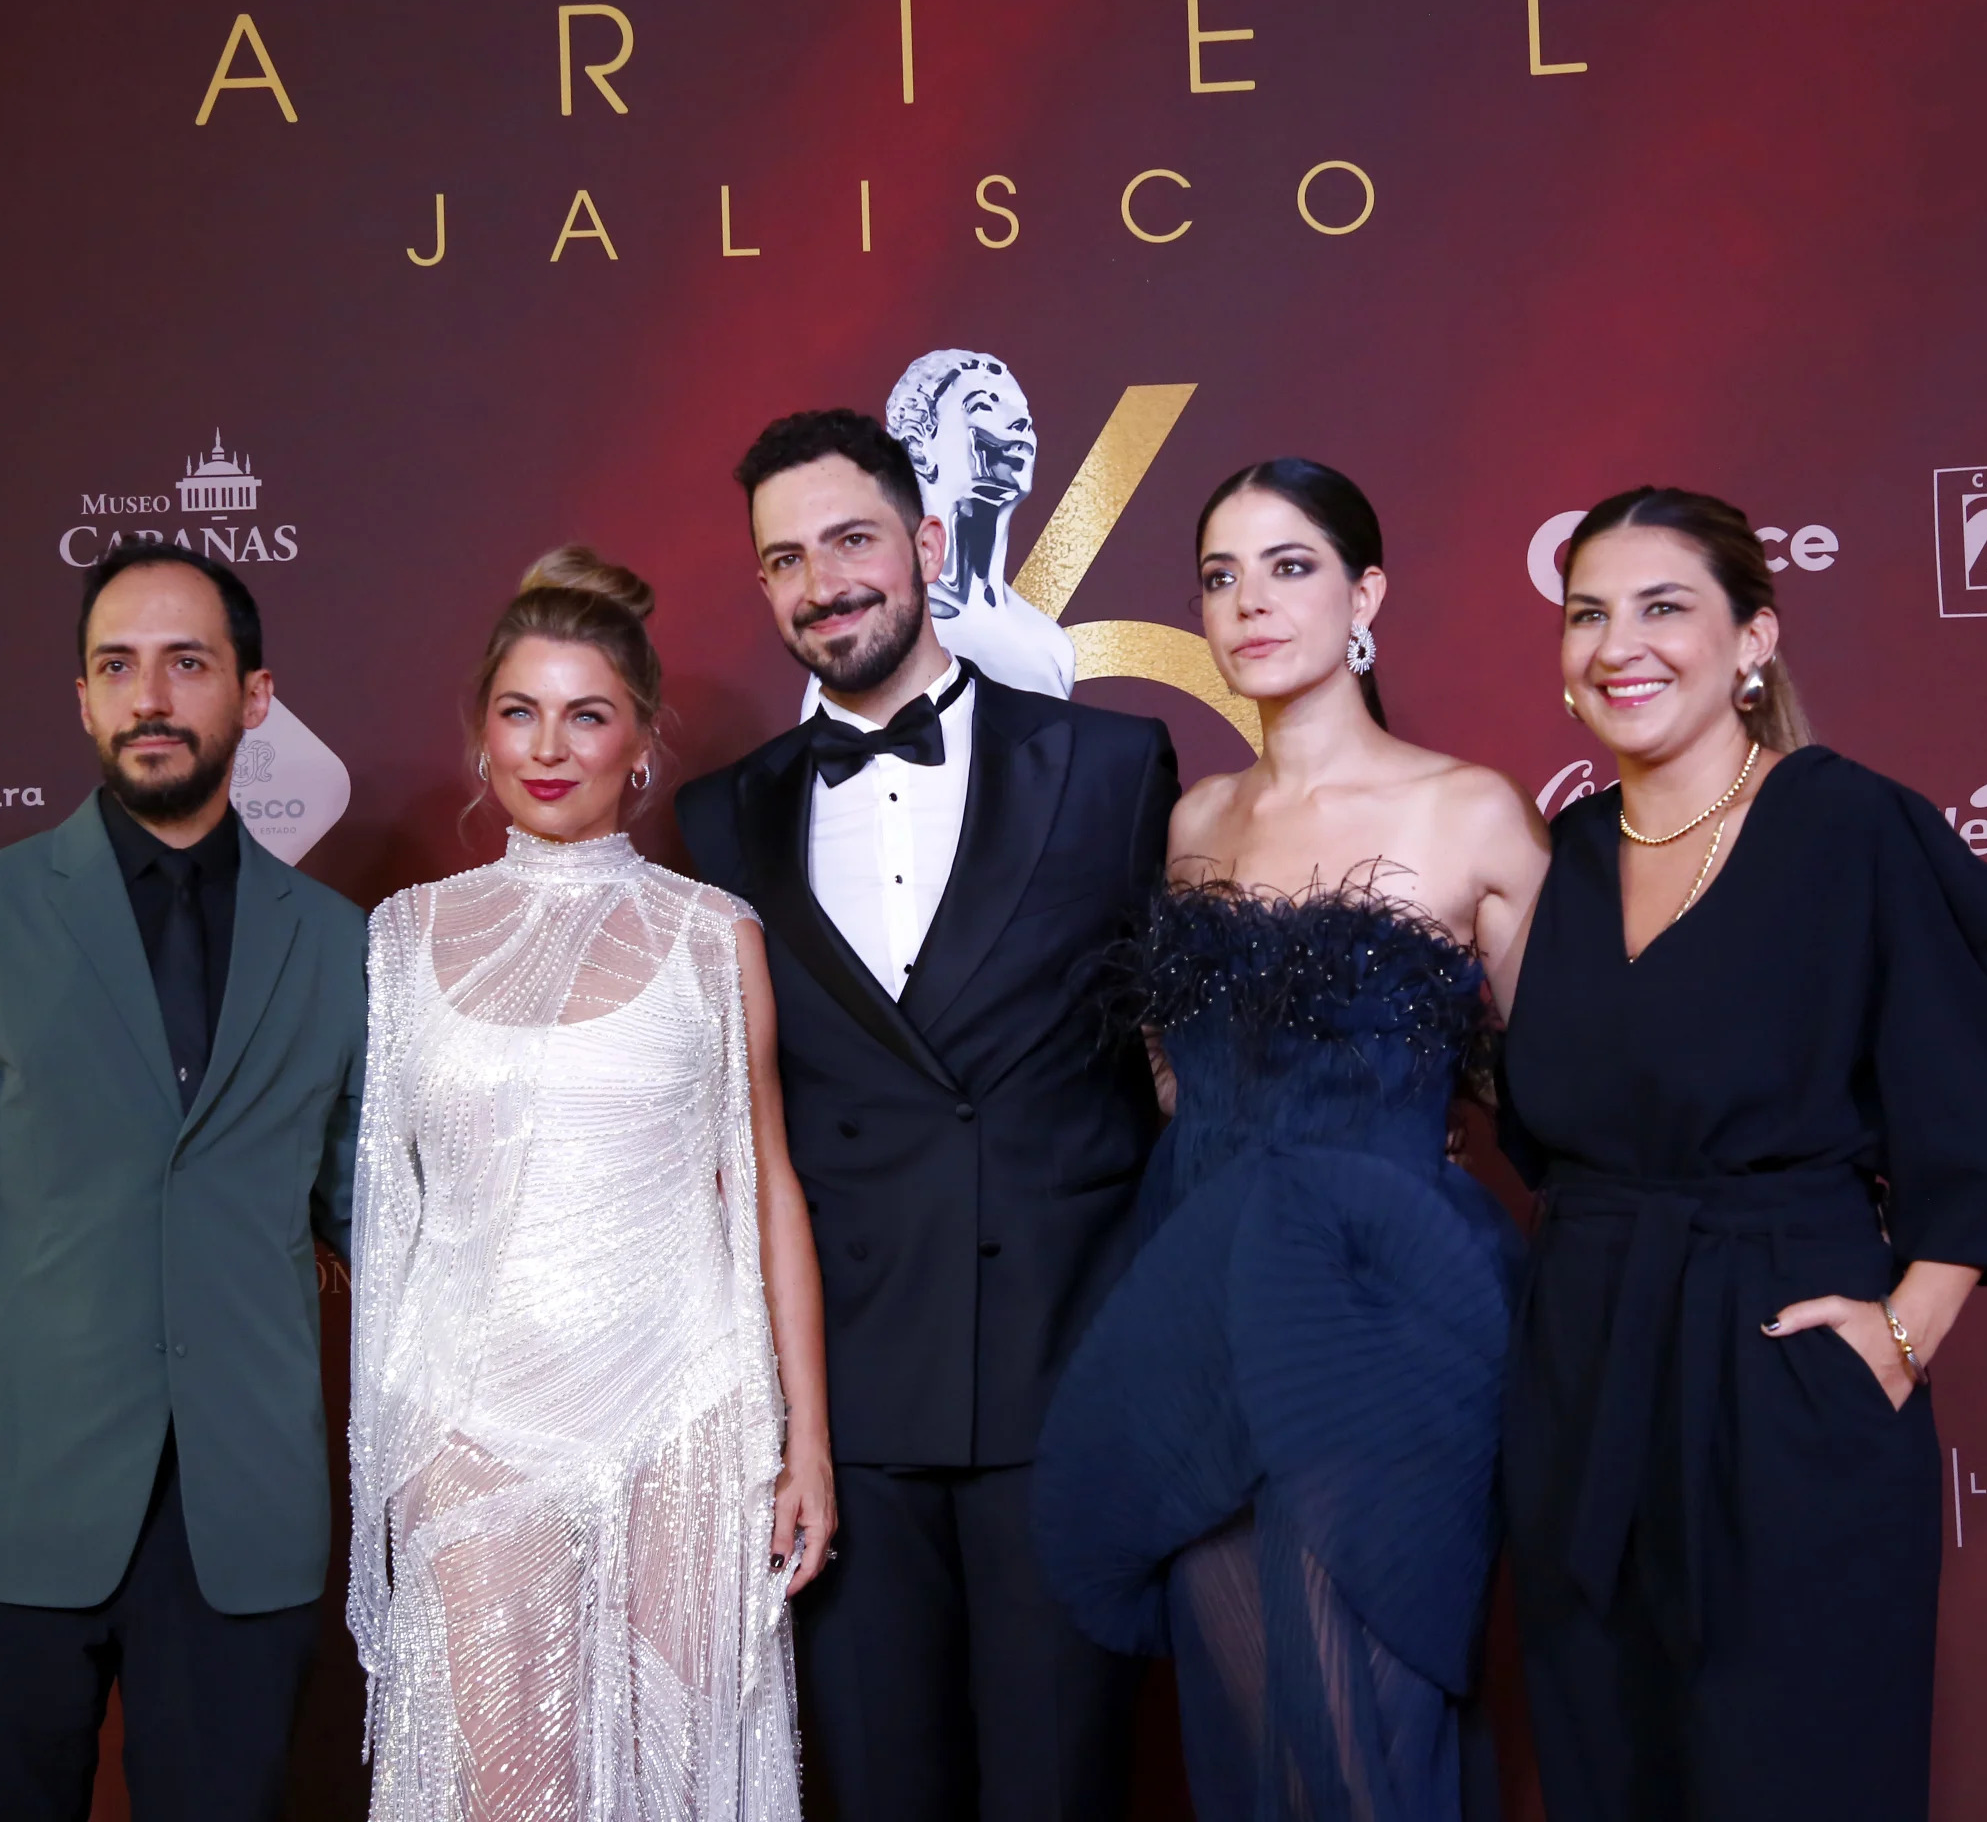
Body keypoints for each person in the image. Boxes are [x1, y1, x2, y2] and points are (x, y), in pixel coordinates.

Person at [1497, 487, 1987, 1819]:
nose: (1616, 645)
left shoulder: (1852, 827)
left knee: (1796, 1772)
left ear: (1754, 639)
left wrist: (1909, 1327)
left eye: (1664, 608)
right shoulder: (1575, 851)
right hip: (1586, 1379)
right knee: (1611, 1766)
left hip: (1782, 1365)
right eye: (1587, 613)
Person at [677, 410, 1179, 1822]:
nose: (822, 581)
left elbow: (1179, 1076)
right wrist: (792, 1431)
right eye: (785, 558)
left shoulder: (1115, 765)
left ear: (926, 542)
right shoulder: (722, 820)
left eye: (849, 539)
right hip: (848, 1422)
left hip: (1066, 1389)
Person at [1033, 459, 1551, 1821]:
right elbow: (1175, 1082)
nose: (1250, 602)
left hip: (1388, 1322)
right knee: (1248, 1732)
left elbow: (1570, 1085)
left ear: (1367, 594)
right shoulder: (1196, 823)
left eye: (1290, 565)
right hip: (1199, 1308)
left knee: (1365, 1733)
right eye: (1221, 575)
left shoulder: (1472, 810)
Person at [0, 541, 370, 1821]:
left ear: (257, 694)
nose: (151, 699)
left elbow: (381, 1231)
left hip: (242, 1523)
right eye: (116, 667)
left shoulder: (343, 946)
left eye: (188, 664)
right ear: (80, 698)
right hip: (2, 1512)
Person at [347, 548, 832, 1822]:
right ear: (481, 739)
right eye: (519, 712)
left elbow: (768, 1189)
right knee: (512, 1796)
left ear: (643, 741)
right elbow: (384, 1216)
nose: (549, 746)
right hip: (470, 1417)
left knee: (676, 1784)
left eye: (587, 713)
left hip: (685, 1408)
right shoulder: (401, 940)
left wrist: (806, 1444)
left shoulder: (713, 935)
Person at [886, 348, 1074, 696]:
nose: (1020, 422)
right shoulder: (878, 639)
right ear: (918, 447)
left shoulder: (1049, 643)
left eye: (1022, 412)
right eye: (983, 406)